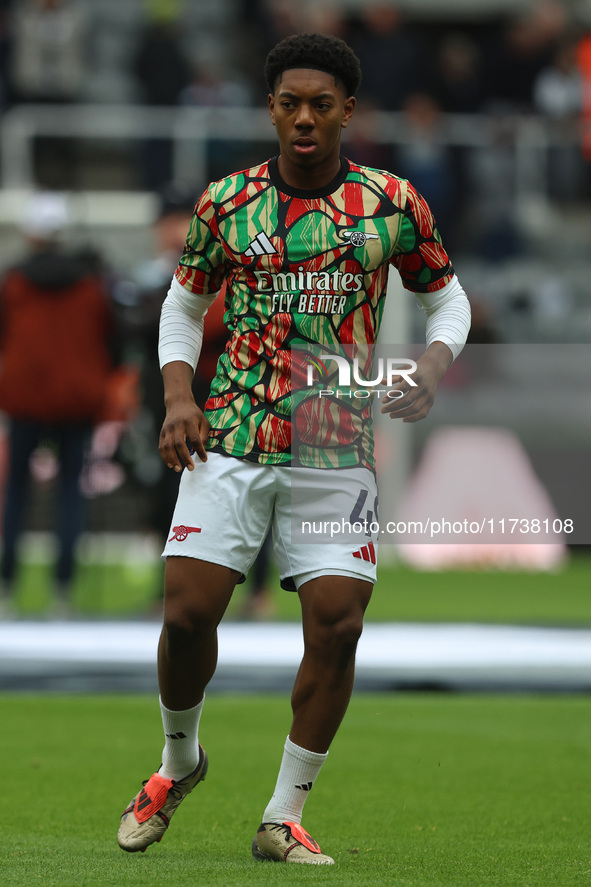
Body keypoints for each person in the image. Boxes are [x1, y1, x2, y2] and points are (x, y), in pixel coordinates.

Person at [117, 33, 471, 864]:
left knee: (338, 626)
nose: (304, 118)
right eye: (289, 103)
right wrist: (178, 396)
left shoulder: (391, 202)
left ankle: (282, 814)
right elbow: (181, 307)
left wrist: (429, 362)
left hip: (332, 442)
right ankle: (178, 763)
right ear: (270, 108)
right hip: (230, 436)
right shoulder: (227, 203)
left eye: (321, 104)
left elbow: (447, 301)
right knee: (187, 615)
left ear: (348, 110)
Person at [0, 192, 116, 616]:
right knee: (70, 493)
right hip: (75, 400)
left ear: (31, 233)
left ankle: (8, 587)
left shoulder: (14, 283)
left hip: (25, 398)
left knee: (16, 494)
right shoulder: (90, 284)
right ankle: (63, 591)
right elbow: (110, 339)